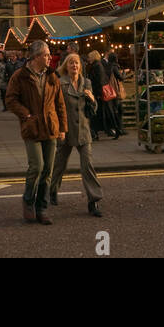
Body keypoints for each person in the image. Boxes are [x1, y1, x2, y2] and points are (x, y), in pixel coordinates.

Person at [4, 39, 66, 225]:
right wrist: (26, 115)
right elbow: (10, 100)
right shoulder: (20, 76)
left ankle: (42, 208)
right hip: (32, 127)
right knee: (37, 167)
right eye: (46, 55)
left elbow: (60, 104)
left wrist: (63, 128)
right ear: (36, 56)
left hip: (50, 127)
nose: (50, 58)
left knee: (48, 170)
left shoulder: (52, 76)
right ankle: (28, 201)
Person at [48, 52, 104, 216]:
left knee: (88, 165)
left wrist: (93, 99)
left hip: (84, 131)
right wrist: (58, 129)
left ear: (81, 66)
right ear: (66, 65)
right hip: (66, 130)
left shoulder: (87, 83)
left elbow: (93, 110)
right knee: (59, 164)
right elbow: (55, 107)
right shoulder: (60, 83)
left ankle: (93, 201)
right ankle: (52, 190)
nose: (74, 66)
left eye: (77, 63)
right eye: (71, 63)